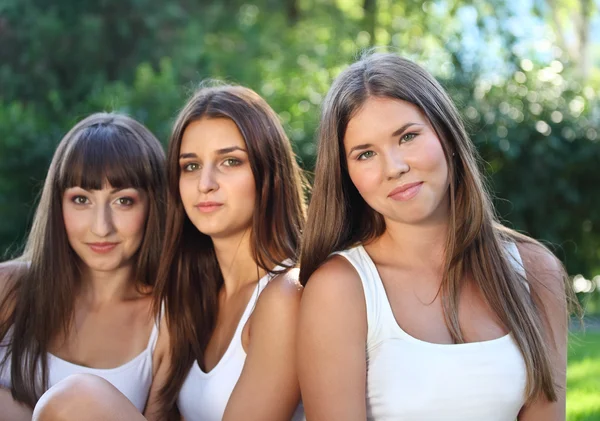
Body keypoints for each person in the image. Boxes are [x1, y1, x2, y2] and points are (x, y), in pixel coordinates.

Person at [297, 53, 576, 421]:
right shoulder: (340, 290)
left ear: (446, 133)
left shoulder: (536, 272)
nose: (394, 167)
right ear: (346, 173)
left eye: (408, 136)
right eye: (365, 154)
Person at [33, 85, 307, 421]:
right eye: (190, 166)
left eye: (230, 161)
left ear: (270, 174)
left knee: (76, 400)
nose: (205, 183)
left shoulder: (284, 295)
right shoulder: (196, 298)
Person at [0, 113, 168, 421]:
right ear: (58, 204)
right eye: (81, 199)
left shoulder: (168, 320)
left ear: (153, 206)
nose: (101, 228)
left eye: (123, 201)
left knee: (79, 399)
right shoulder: (10, 289)